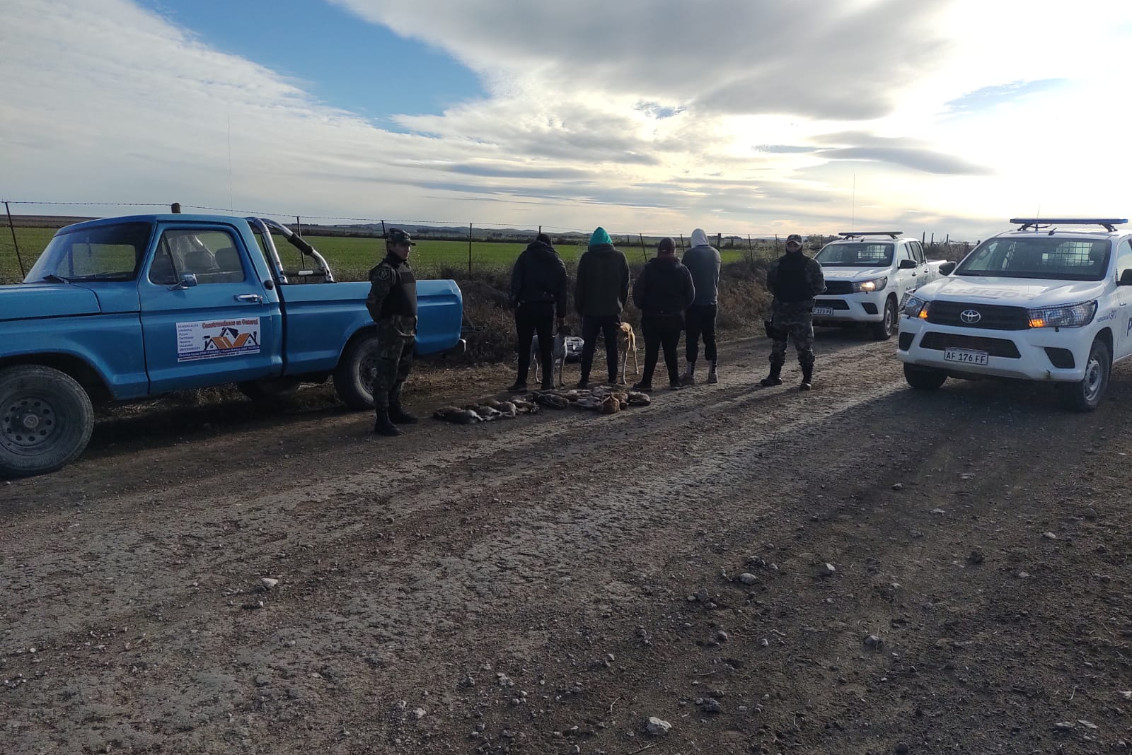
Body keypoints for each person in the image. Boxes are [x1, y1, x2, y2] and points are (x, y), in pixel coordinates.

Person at [365, 228, 419, 436]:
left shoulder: (403, 268)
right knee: (386, 374)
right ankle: (382, 418)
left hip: (408, 329)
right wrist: (385, 322)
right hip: (393, 330)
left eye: (408, 245)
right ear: (391, 246)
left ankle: (395, 410)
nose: (407, 249)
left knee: (401, 372)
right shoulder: (385, 271)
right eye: (403, 245)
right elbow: (373, 302)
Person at [631, 237, 696, 392]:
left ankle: (646, 382)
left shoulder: (649, 269)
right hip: (673, 318)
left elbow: (637, 292)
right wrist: (679, 307)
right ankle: (674, 381)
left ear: (659, 250)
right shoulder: (683, 270)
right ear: (674, 250)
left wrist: (643, 306)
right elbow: (691, 295)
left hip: (651, 317)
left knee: (651, 351)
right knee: (671, 350)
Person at [763, 233, 825, 390]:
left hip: (801, 312)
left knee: (804, 347)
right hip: (781, 311)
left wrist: (804, 294)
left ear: (801, 246)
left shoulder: (811, 265)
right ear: (786, 245)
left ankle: (806, 379)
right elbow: (770, 285)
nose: (792, 247)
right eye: (790, 244)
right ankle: (774, 376)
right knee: (777, 346)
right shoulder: (777, 264)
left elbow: (820, 286)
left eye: (795, 245)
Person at [508, 233, 568, 391]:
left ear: (536, 242)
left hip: (525, 306)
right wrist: (561, 314)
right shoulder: (557, 262)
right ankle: (546, 383)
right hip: (546, 308)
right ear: (550, 244)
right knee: (546, 345)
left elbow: (515, 282)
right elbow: (563, 291)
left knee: (524, 346)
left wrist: (514, 302)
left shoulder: (524, 257)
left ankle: (521, 382)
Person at [574, 227, 630, 387]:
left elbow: (580, 287)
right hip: (613, 310)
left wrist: (580, 309)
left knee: (588, 346)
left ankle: (584, 379)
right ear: (609, 242)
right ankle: (612, 378)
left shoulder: (586, 258)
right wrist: (621, 305)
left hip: (590, 311)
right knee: (612, 345)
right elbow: (625, 286)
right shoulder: (620, 257)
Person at [680, 228, 722, 386]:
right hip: (712, 301)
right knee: (710, 337)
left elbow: (683, 276)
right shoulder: (716, 254)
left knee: (692, 338)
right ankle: (713, 372)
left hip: (694, 303)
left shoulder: (690, 254)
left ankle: (690, 373)